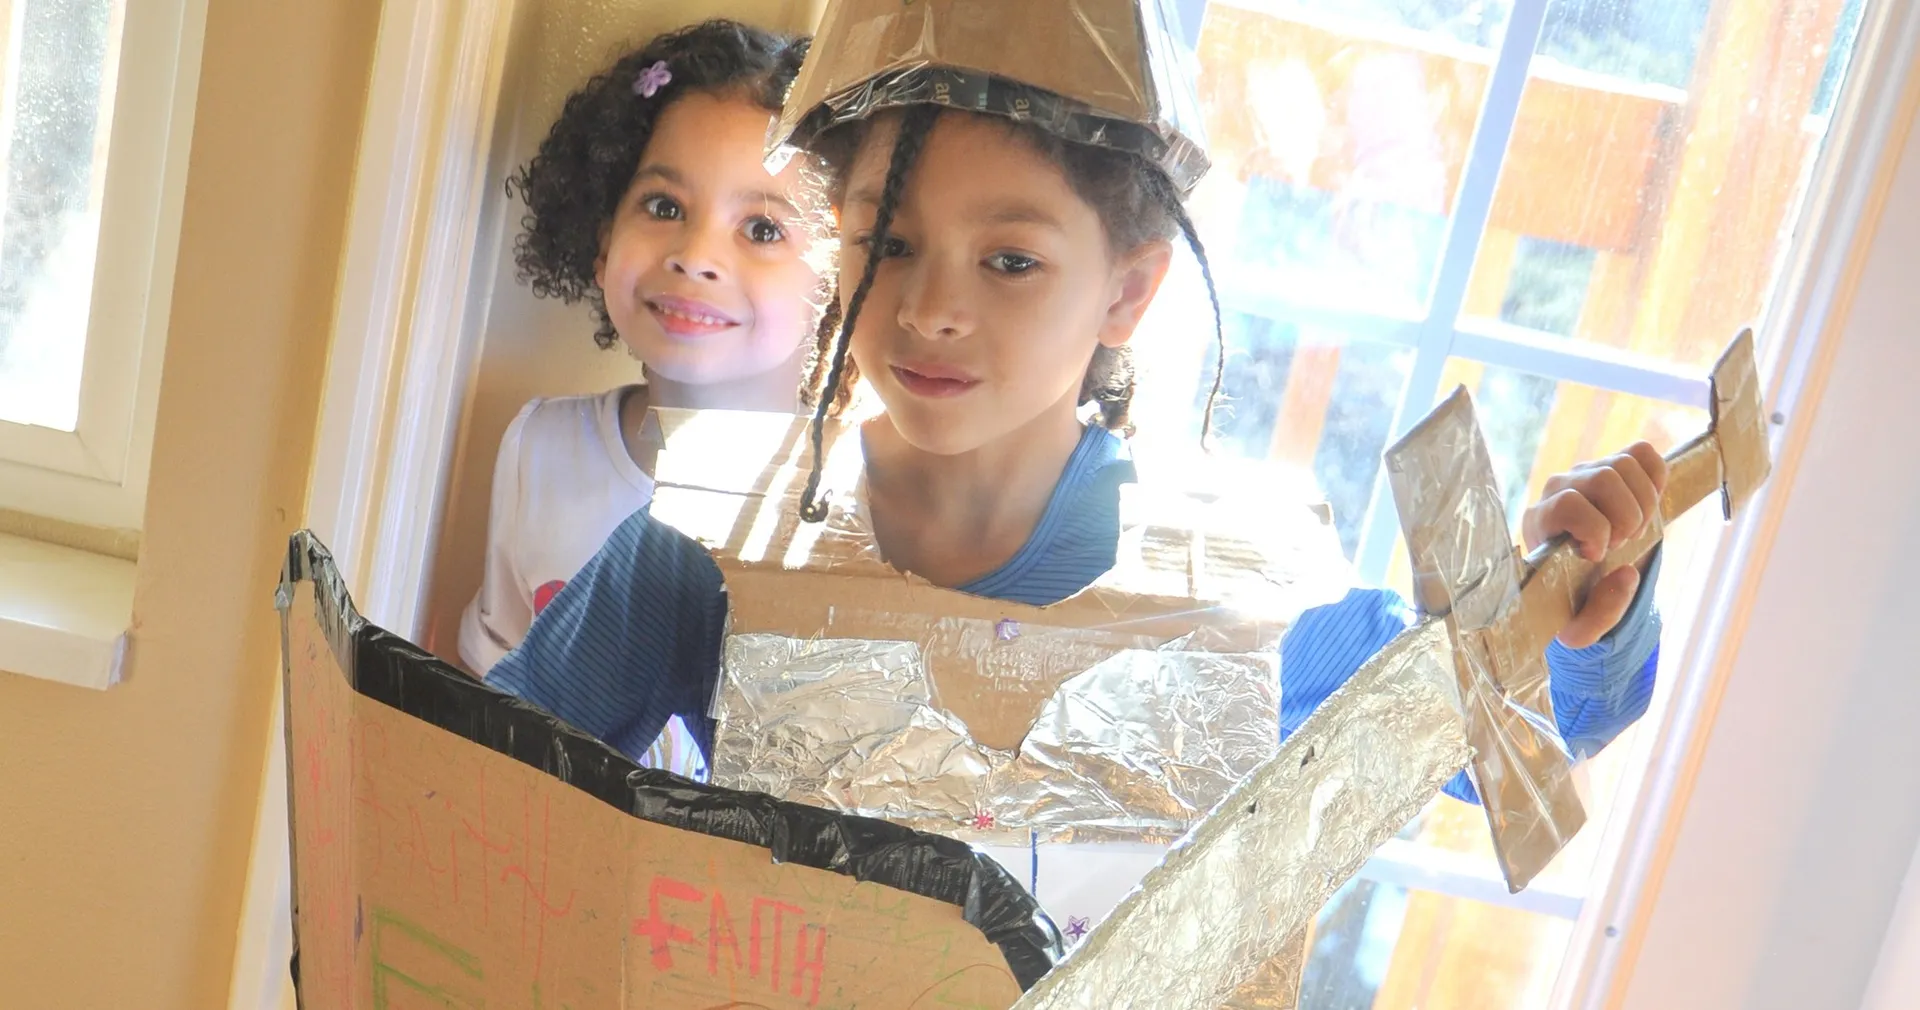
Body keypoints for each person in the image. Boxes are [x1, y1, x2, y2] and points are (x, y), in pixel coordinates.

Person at [490, 87, 1665, 804]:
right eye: (886, 244)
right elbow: (481, 783)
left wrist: (1577, 616)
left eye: (1010, 259)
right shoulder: (705, 545)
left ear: (1129, 290)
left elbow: (1511, 743)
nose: (931, 309)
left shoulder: (1220, 594)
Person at [459, 21, 825, 683]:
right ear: (603, 241)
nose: (695, 256)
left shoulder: (863, 508)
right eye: (663, 205)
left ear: (842, 279)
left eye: (763, 228)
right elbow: (493, 696)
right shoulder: (540, 449)